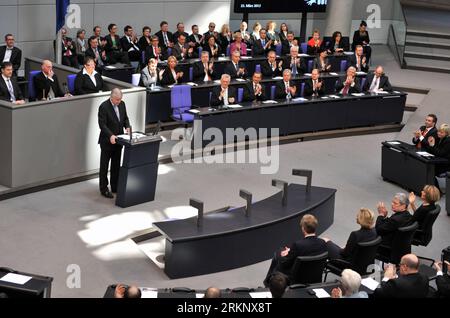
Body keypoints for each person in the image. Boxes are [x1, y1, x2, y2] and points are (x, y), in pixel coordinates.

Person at [263, 214, 327, 285]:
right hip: (315, 277)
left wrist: (286, 254)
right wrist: (291, 251)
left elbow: (285, 264)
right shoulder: (322, 243)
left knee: (278, 254)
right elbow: (308, 250)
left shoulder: (298, 245)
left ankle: (268, 283)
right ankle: (268, 282)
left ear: (303, 228)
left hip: (297, 278)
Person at [98, 88, 130, 198]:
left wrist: (128, 127)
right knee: (104, 165)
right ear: (111, 97)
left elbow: (125, 118)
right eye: (117, 100)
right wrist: (110, 135)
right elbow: (102, 125)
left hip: (119, 140)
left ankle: (115, 186)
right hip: (107, 141)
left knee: (116, 164)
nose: (119, 102)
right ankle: (103, 188)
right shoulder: (104, 107)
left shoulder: (122, 104)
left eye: (120, 99)